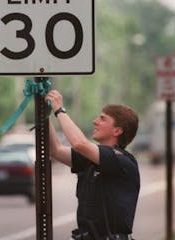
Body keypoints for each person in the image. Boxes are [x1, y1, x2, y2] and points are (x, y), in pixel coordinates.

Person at [45, 89, 139, 240]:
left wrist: (60, 110)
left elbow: (79, 143)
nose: (95, 121)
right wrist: (45, 114)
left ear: (117, 130)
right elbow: (55, 150)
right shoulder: (92, 159)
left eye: (102, 119)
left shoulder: (122, 160)